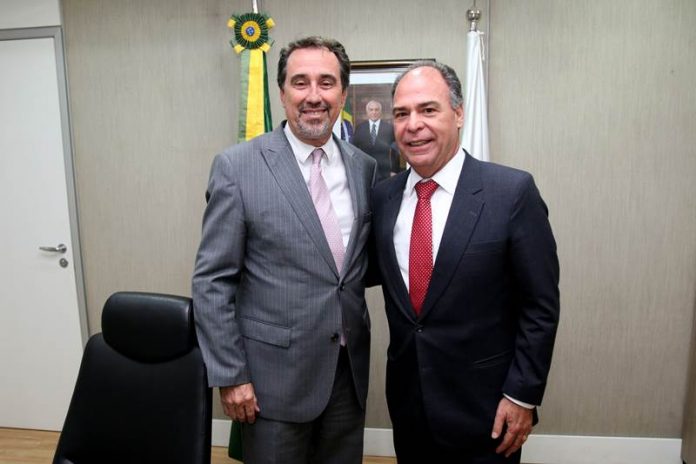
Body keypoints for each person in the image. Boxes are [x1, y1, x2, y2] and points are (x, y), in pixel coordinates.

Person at [192, 36, 377, 464]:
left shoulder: (363, 167)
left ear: (343, 94)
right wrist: (231, 374)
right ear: (282, 92)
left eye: (326, 82)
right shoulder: (237, 167)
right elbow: (212, 281)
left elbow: (353, 269)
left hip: (346, 376)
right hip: (271, 382)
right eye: (300, 82)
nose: (314, 96)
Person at [370, 61, 560, 463]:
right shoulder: (383, 198)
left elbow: (540, 306)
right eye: (401, 113)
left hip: (487, 412)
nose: (413, 125)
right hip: (410, 408)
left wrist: (521, 395)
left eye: (428, 109)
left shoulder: (511, 192)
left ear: (458, 114)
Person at [351, 100, 400, 182]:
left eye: (376, 110)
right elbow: (354, 150)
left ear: (380, 112)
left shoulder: (389, 128)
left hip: (385, 173)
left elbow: (395, 152)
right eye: (371, 110)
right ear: (367, 112)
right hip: (365, 171)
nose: (374, 112)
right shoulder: (360, 128)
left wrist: (394, 170)